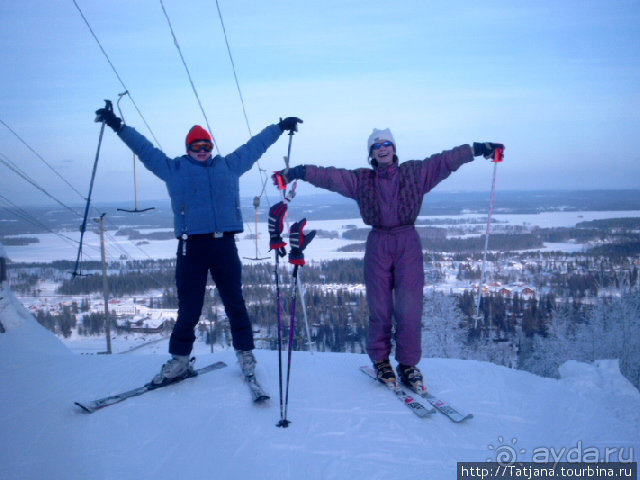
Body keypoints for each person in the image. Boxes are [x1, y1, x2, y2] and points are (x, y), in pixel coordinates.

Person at [273, 128, 503, 391]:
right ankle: (381, 360)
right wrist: (298, 171)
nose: (382, 149)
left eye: (386, 144)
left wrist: (478, 148)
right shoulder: (361, 180)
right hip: (378, 243)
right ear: (371, 153)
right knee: (380, 306)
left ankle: (408, 364)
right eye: (376, 146)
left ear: (393, 148)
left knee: (410, 306)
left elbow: (445, 161)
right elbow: (330, 176)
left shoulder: (414, 173)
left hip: (407, 242)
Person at [95, 102, 302, 385]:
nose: (203, 150)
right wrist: (117, 125)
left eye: (206, 145)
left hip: (223, 245)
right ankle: (180, 360)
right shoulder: (174, 169)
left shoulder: (228, 165)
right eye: (197, 146)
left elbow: (255, 146)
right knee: (189, 307)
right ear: (188, 148)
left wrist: (278, 128)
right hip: (190, 248)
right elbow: (143, 149)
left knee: (234, 302)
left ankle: (245, 354)